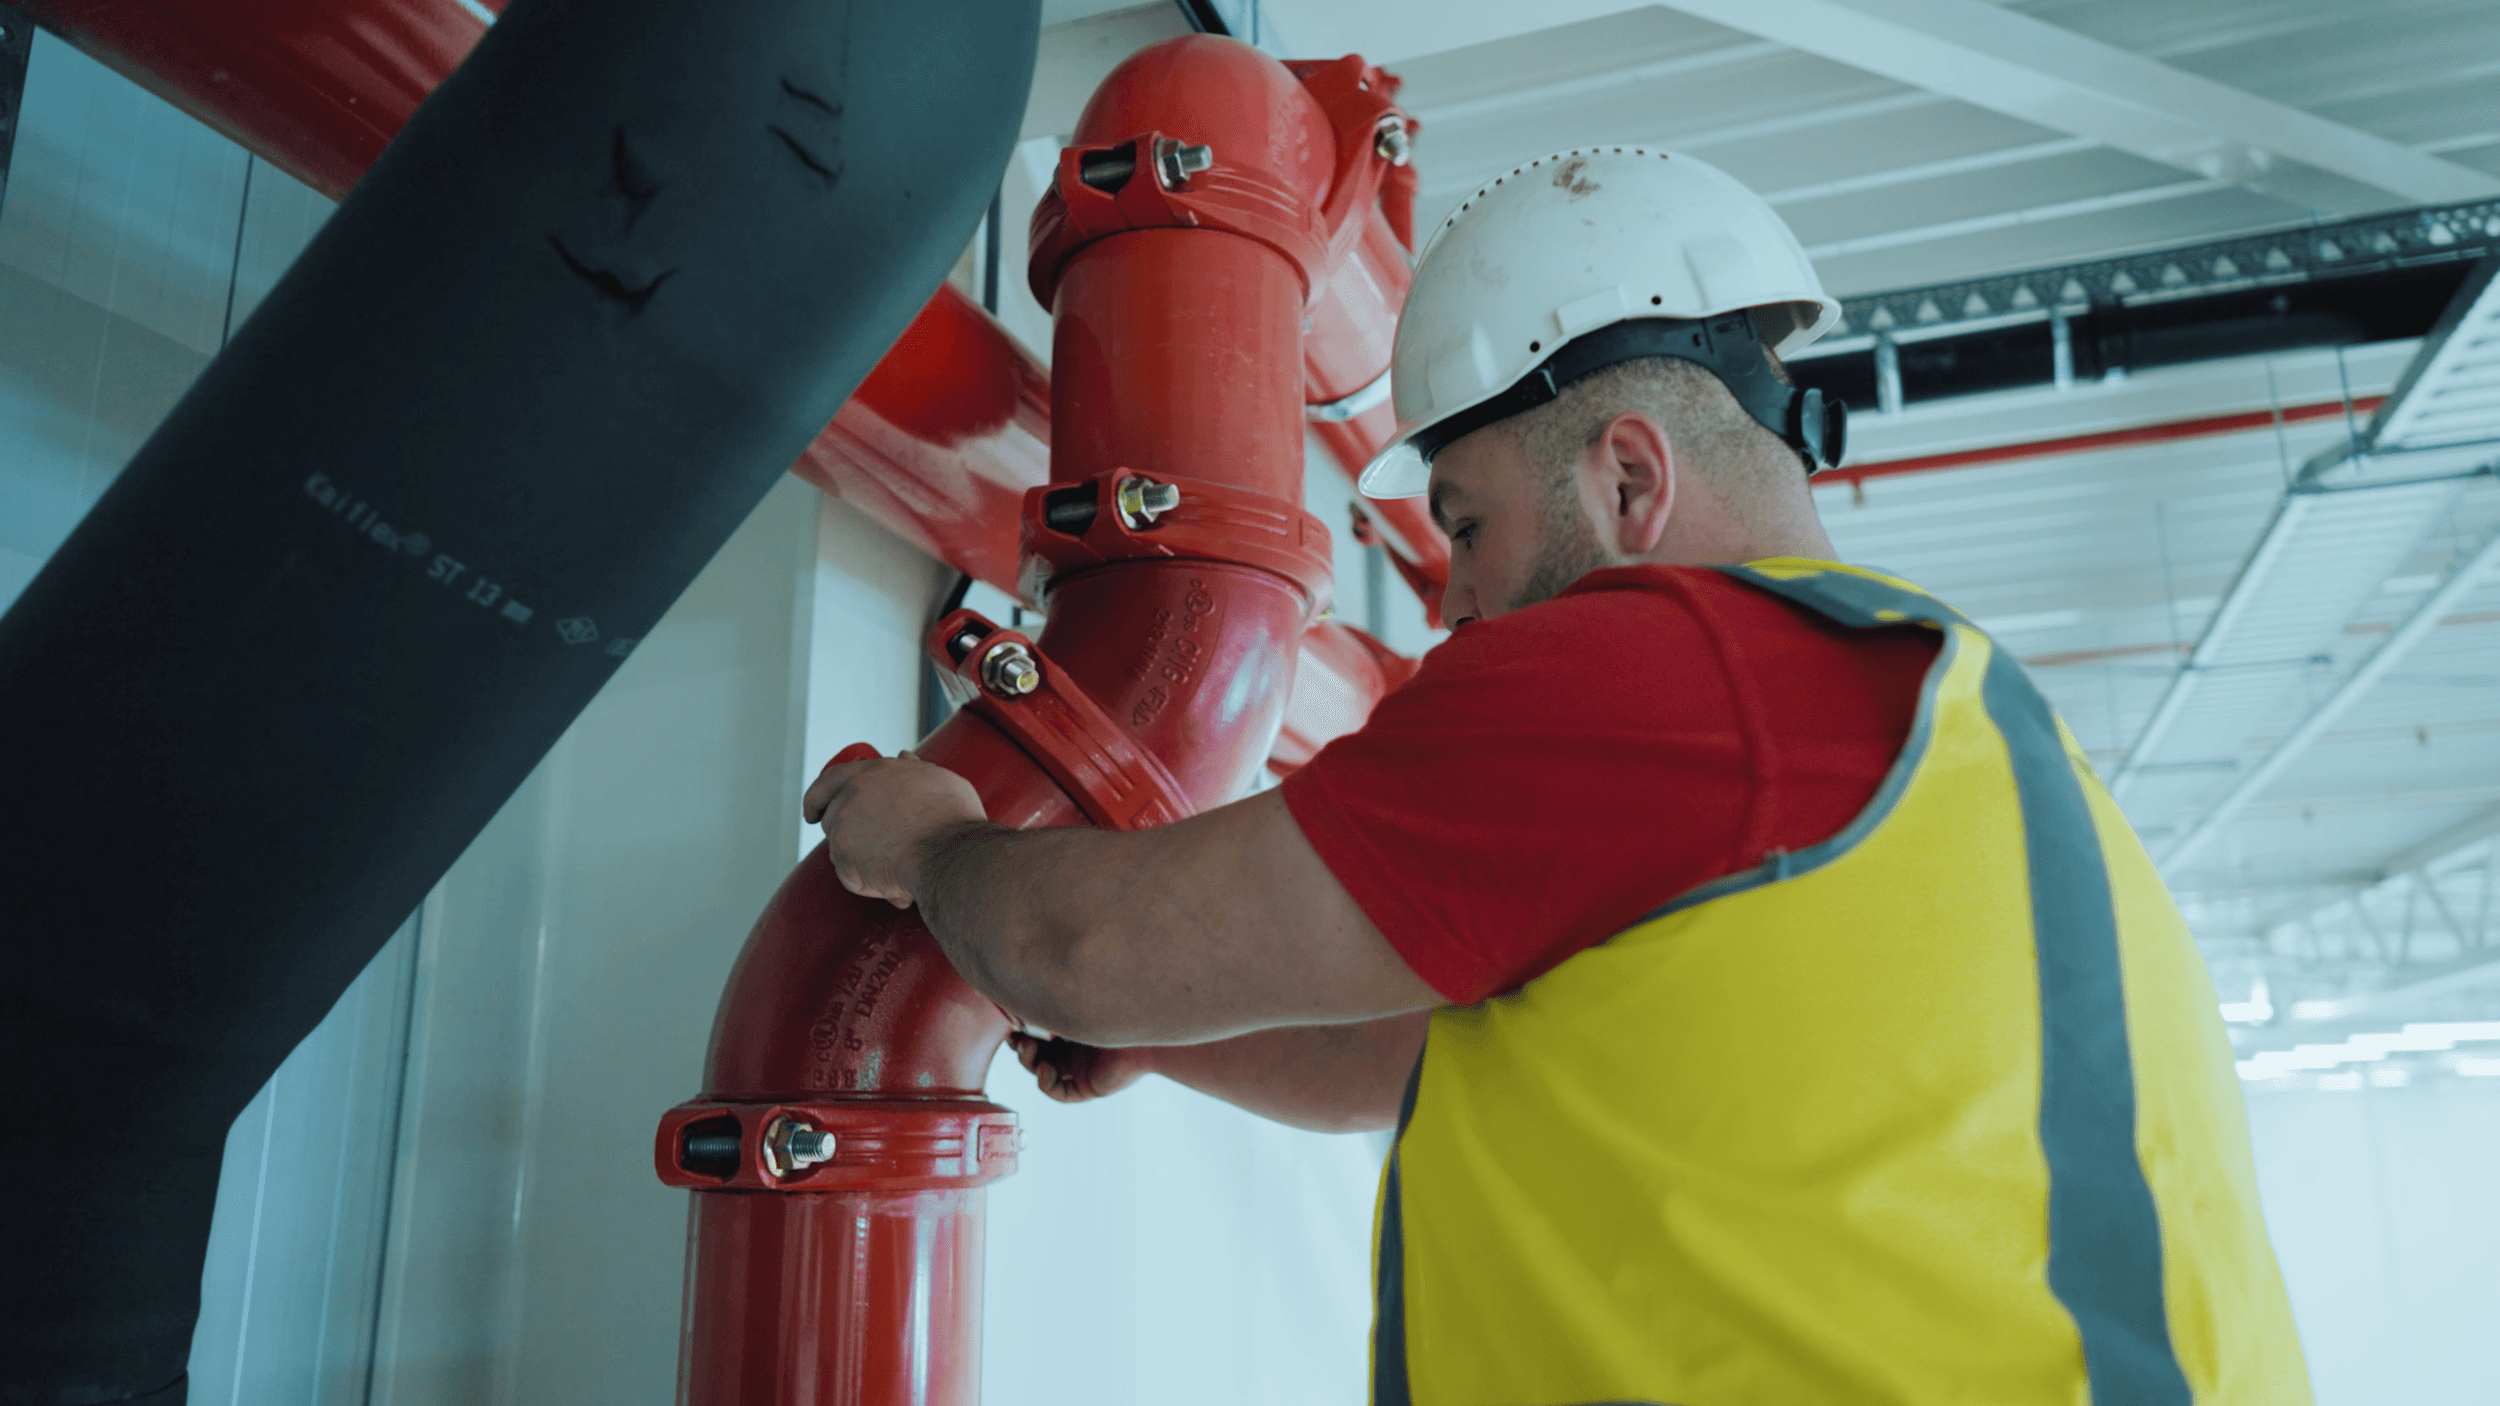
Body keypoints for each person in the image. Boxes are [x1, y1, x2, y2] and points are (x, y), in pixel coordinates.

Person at [803, 146, 2310, 1404]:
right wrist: (1162, 1033)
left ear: (1632, 482)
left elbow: (1080, 941)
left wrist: (934, 846)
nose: (1450, 601)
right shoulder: (1951, 717)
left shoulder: (1677, 672)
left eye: (1466, 525)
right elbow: (1398, 1052)